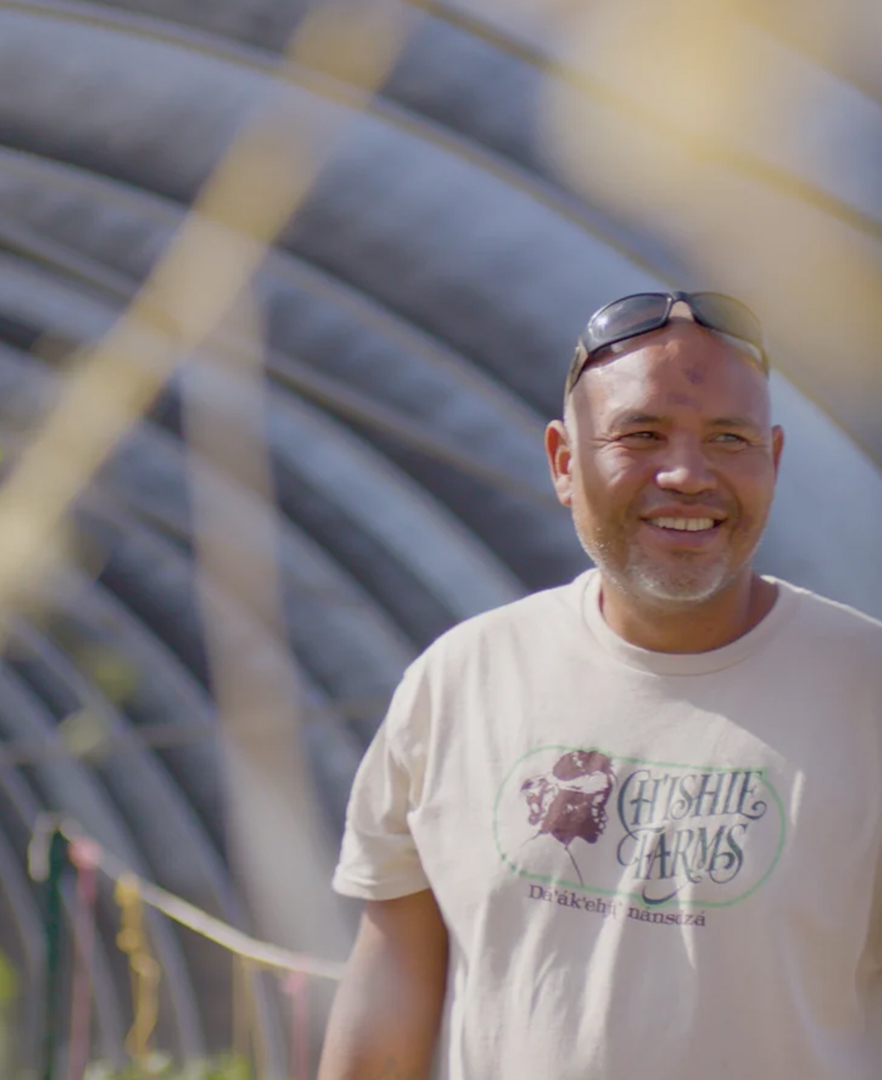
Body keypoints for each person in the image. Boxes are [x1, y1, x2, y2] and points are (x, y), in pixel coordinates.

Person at [316, 291, 882, 1080]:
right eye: (641, 435)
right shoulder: (462, 680)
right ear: (563, 462)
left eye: (730, 438)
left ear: (773, 462)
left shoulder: (865, 693)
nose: (688, 474)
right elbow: (390, 1000)